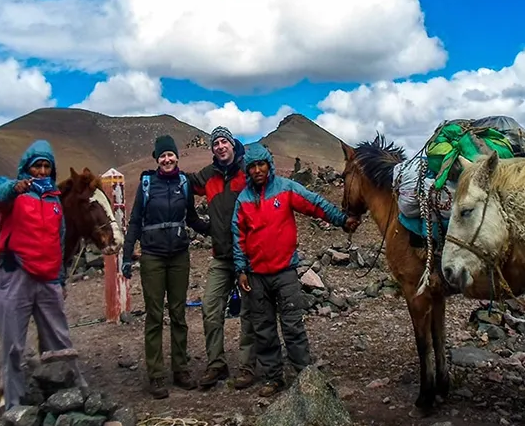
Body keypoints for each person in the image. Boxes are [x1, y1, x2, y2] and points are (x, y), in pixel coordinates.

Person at [232, 144, 360, 397]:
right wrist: (240, 269)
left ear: (269, 164)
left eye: (261, 164)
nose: (258, 170)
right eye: (252, 166)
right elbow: (238, 237)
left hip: (285, 273)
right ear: (247, 170)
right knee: (264, 328)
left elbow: (315, 204)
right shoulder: (243, 200)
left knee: (293, 325)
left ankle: (303, 373)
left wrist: (342, 219)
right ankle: (273, 377)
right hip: (256, 275)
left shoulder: (286, 189)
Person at [0, 139, 86, 410]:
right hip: (17, 274)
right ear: (26, 168)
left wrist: (61, 278)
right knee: (13, 344)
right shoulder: (15, 196)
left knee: (60, 338)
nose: (42, 172)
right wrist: (14, 187)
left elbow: (61, 238)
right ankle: (14, 404)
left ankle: (71, 394)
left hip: (48, 278)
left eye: (46, 167)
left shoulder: (55, 201)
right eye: (37, 167)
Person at [121, 135, 210, 399]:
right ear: (157, 159)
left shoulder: (184, 184)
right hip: (153, 257)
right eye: (163, 156)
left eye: (171, 154)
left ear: (176, 157)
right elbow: (135, 221)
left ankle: (180, 369)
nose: (167, 159)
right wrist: (127, 256)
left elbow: (192, 219)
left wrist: (216, 229)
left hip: (179, 256)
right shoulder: (147, 184)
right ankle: (156, 374)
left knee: (179, 314)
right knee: (154, 315)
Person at [187, 127, 256, 390]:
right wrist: (199, 224)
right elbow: (186, 184)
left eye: (224, 141)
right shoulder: (208, 175)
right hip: (220, 256)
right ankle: (217, 364)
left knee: (249, 311)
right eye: (215, 143)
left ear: (232, 144)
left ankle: (249, 365)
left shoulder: (246, 169)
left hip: (247, 256)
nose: (220, 146)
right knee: (210, 307)